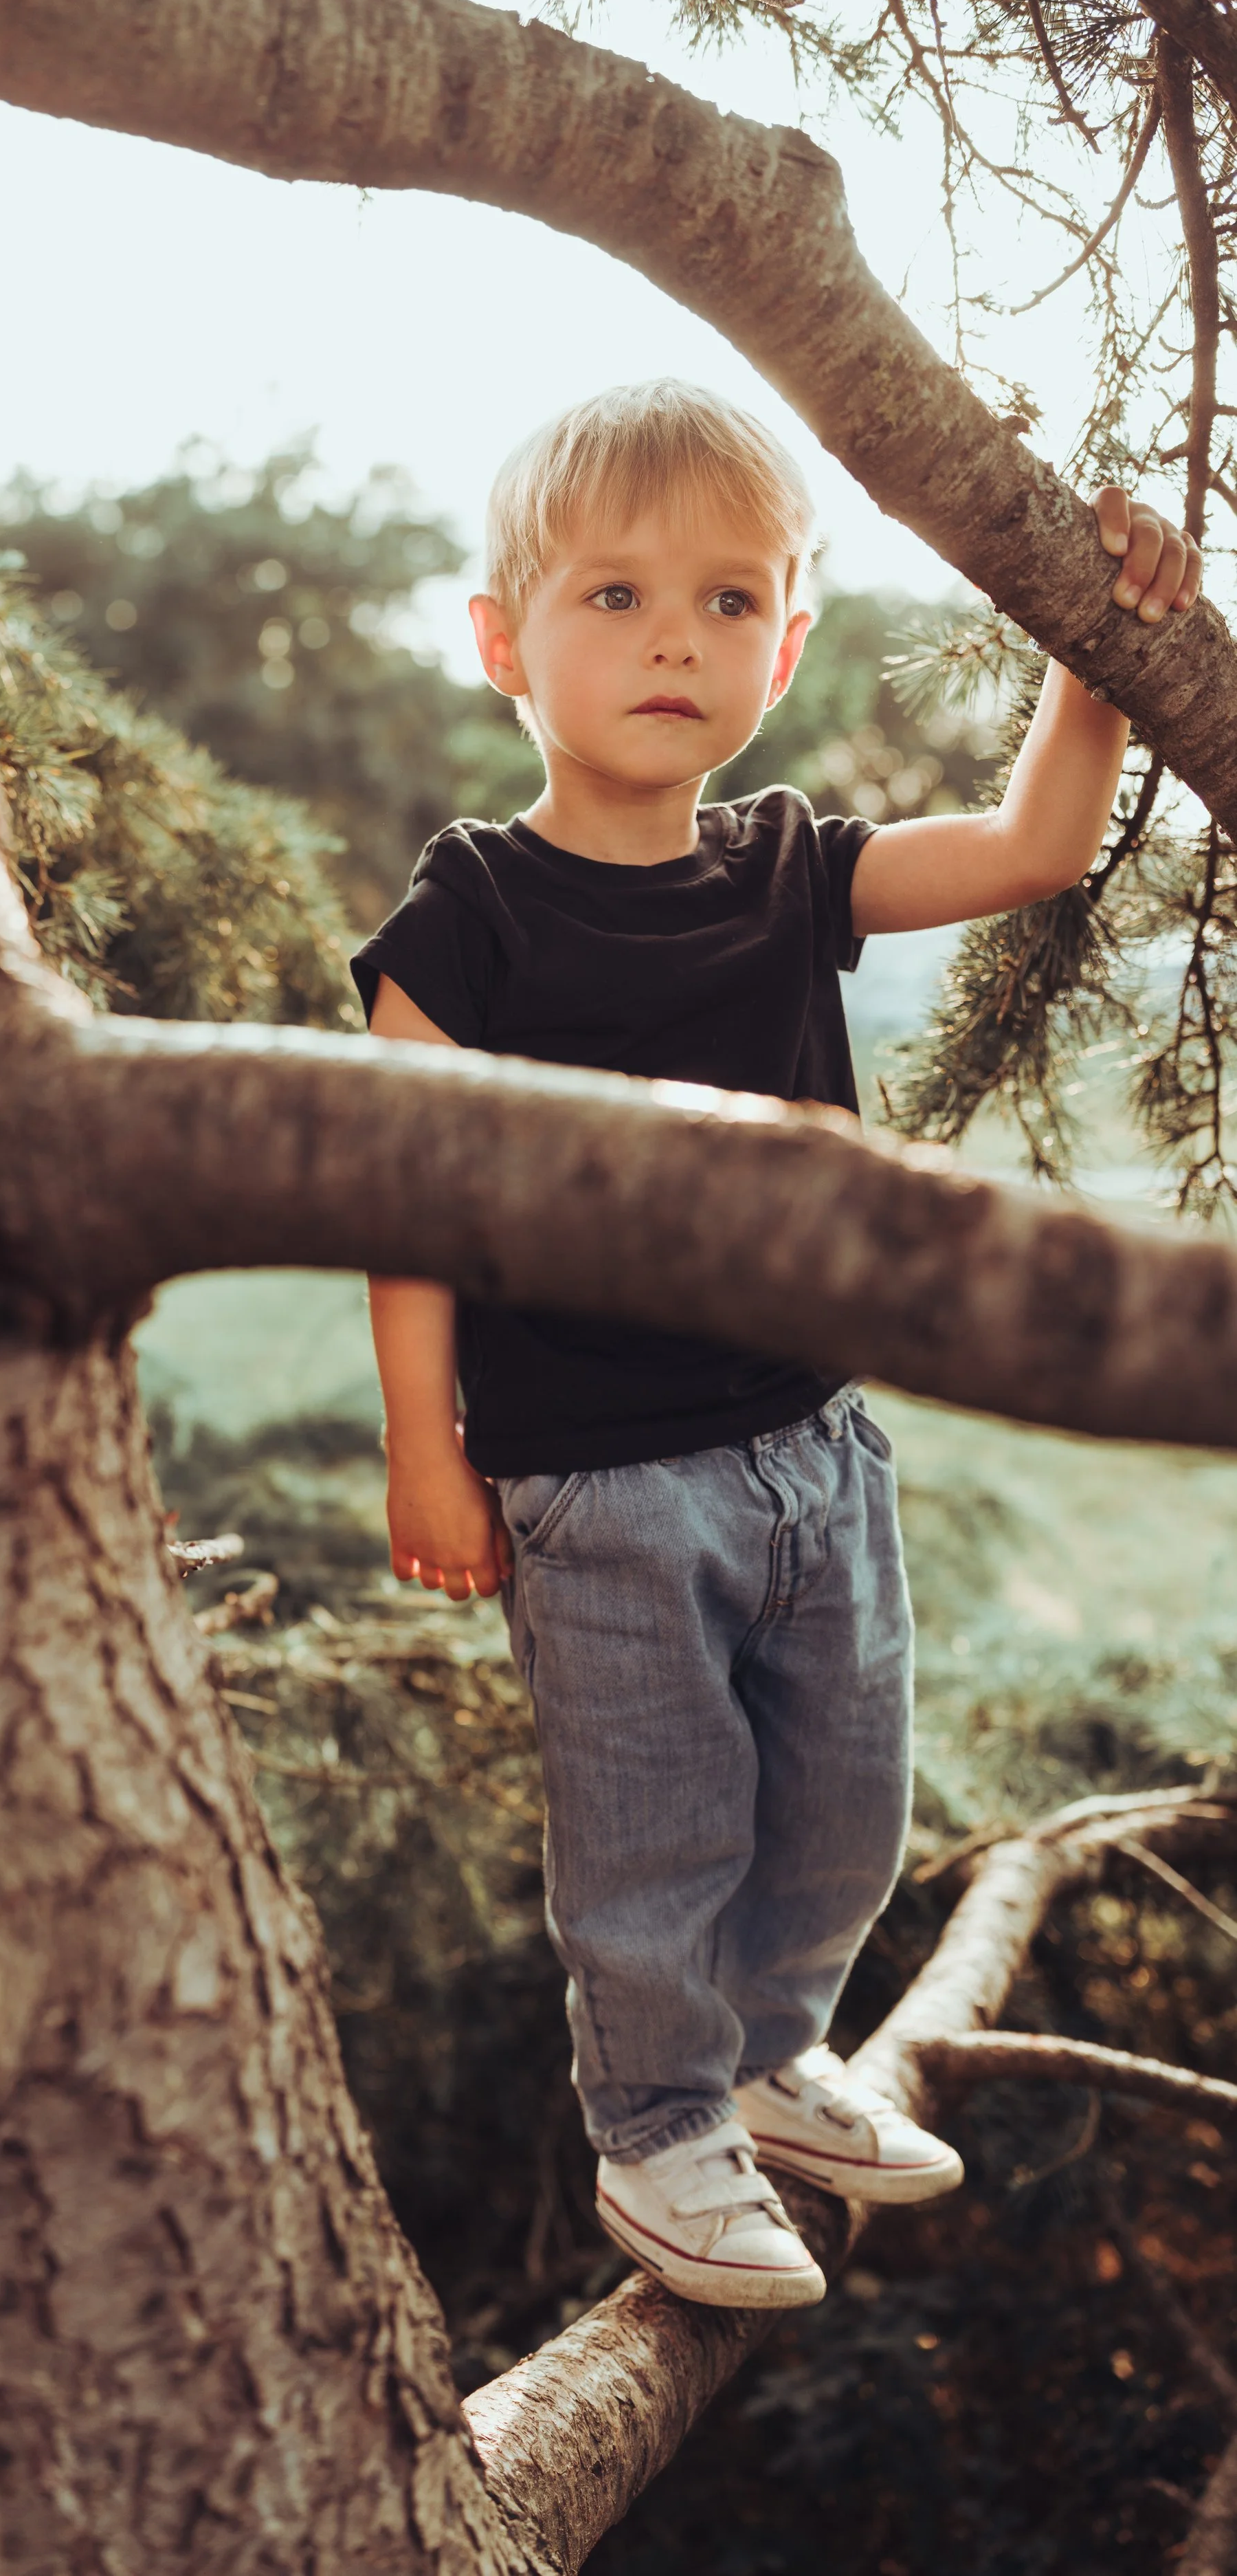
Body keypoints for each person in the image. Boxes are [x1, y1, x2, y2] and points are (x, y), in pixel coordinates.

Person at [351, 380, 1197, 2309]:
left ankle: (768, 2054)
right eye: (618, 595)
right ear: (504, 639)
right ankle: (655, 2127)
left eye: (730, 601)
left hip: (817, 1448)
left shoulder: (788, 866)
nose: (675, 637)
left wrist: (1095, 643)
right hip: (594, 1477)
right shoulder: (468, 910)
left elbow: (1033, 848)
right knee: (656, 1830)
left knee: (839, 1788)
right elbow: (400, 1194)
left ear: (787, 643)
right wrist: (428, 1446)